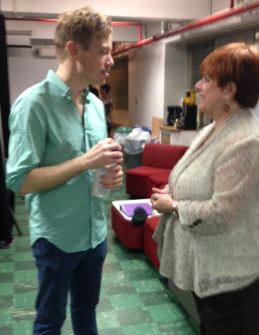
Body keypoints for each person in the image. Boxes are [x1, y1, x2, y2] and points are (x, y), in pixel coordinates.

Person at [6, 6, 123, 335]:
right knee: (49, 322)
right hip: (56, 238)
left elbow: (100, 167)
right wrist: (85, 162)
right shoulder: (34, 105)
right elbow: (19, 181)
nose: (110, 60)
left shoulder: (97, 105)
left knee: (87, 311)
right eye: (102, 51)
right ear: (74, 49)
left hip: (94, 233)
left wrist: (112, 176)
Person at [150, 42, 259, 335]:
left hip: (230, 280)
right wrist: (174, 190)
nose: (198, 85)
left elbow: (222, 212)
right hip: (208, 271)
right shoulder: (214, 127)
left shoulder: (246, 141)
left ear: (229, 90)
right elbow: (199, 178)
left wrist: (174, 206)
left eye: (207, 79)